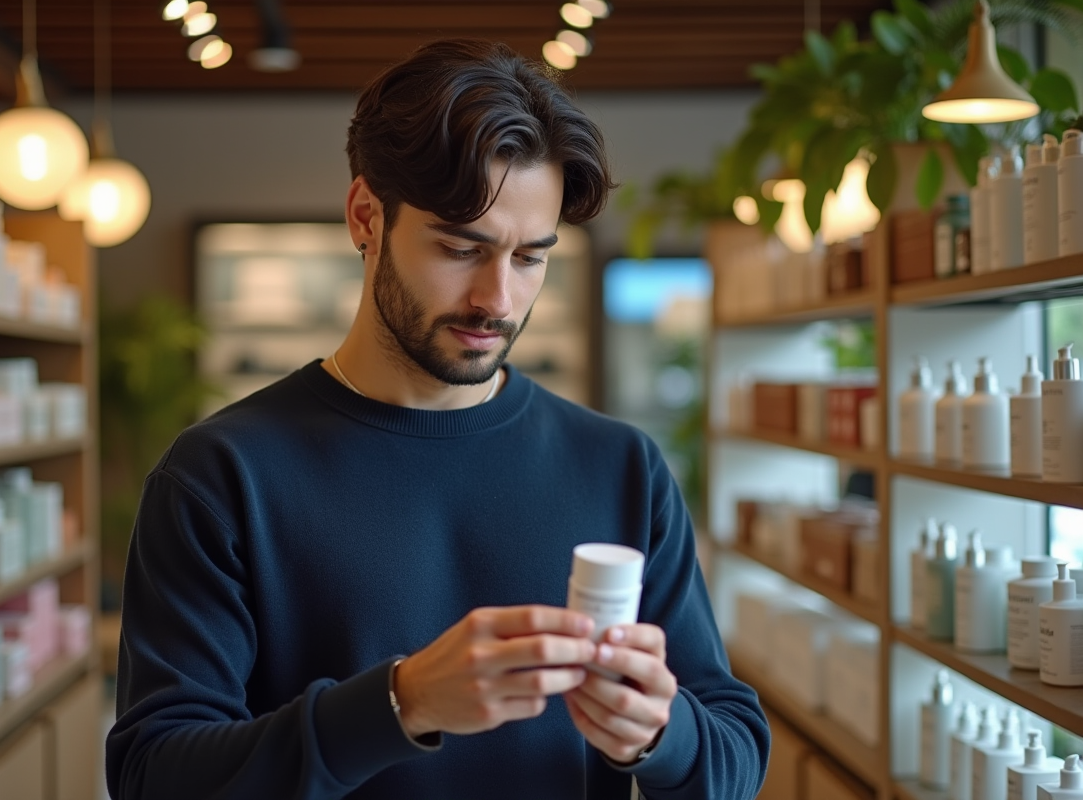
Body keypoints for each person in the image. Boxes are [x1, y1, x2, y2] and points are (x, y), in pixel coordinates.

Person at [106, 38, 769, 800]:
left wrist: (658, 733)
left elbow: (735, 755)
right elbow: (153, 776)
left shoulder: (621, 467)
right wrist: (402, 703)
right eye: (461, 248)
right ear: (366, 217)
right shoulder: (220, 475)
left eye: (531, 258)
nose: (498, 299)